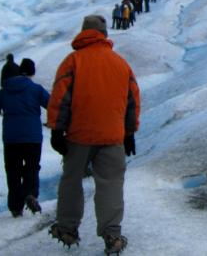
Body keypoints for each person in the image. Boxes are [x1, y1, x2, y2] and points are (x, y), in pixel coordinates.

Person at [47, 15, 140, 254]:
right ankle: (112, 235)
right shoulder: (120, 64)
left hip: (79, 136)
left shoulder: (73, 61)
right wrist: (129, 133)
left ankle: (67, 229)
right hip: (113, 137)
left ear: (83, 32)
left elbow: (60, 98)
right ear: (104, 33)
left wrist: (57, 129)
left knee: (71, 181)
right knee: (110, 184)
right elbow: (132, 101)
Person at [0, 58, 50, 217]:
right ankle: (30, 193)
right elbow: (52, 104)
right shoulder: (36, 89)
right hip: (32, 137)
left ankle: (15, 207)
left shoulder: (6, 89)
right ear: (32, 72)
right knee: (32, 167)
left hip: (11, 138)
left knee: (13, 171)